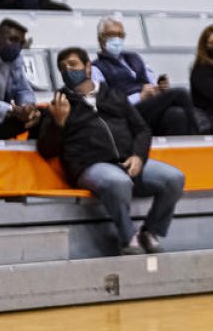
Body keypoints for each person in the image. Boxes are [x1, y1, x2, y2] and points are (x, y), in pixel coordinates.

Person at [38, 48, 185, 256]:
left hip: (127, 161)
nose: (67, 70)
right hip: (90, 166)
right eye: (62, 68)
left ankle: (151, 231)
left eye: (73, 65)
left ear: (88, 67)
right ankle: (128, 239)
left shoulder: (114, 94)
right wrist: (58, 124)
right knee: (119, 182)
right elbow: (46, 150)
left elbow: (142, 129)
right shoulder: (59, 104)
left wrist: (138, 157)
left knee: (174, 178)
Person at [93, 17, 198, 137]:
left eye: (121, 35)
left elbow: (151, 83)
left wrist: (158, 89)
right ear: (100, 38)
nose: (117, 39)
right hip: (128, 112)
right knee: (180, 93)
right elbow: (106, 104)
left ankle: (185, 150)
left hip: (148, 108)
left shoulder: (135, 58)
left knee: (175, 114)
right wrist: (140, 96)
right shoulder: (96, 68)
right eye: (112, 35)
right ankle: (199, 136)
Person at [0, 19, 40, 139]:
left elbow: (23, 90)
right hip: (4, 112)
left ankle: (32, 157)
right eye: (13, 40)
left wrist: (27, 107)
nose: (18, 46)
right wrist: (12, 110)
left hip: (4, 114)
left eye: (21, 43)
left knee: (44, 117)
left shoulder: (15, 59)